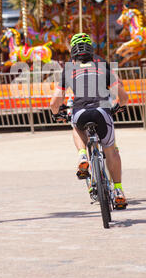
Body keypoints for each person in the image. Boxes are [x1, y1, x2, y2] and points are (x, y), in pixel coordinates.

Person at [50, 33, 129, 209]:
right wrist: (119, 106)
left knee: (75, 125)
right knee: (111, 151)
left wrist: (57, 113)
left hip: (80, 112)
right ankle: (118, 191)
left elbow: (54, 102)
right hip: (103, 110)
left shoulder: (69, 69)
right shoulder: (102, 67)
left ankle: (82, 155)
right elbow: (123, 95)